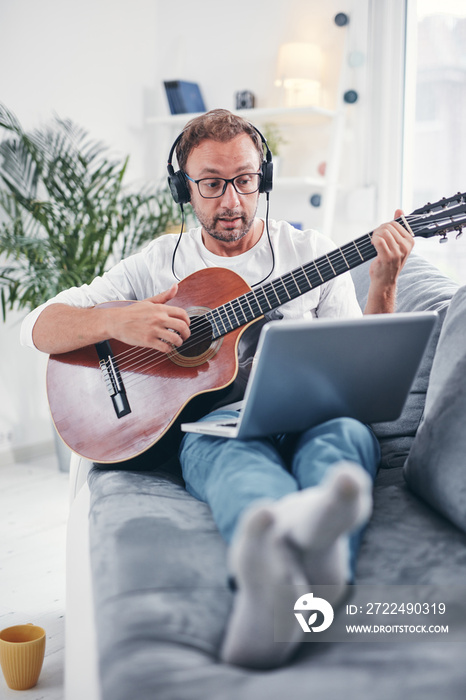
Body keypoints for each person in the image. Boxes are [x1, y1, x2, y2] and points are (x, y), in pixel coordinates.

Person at [20, 108, 414, 670]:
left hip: (315, 418)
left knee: (345, 442)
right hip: (217, 428)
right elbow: (37, 326)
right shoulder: (158, 265)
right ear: (185, 187)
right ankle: (276, 563)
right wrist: (118, 321)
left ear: (263, 178)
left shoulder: (311, 254)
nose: (231, 201)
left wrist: (385, 280)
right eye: (211, 184)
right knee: (233, 466)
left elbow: (368, 364)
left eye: (246, 180)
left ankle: (314, 567)